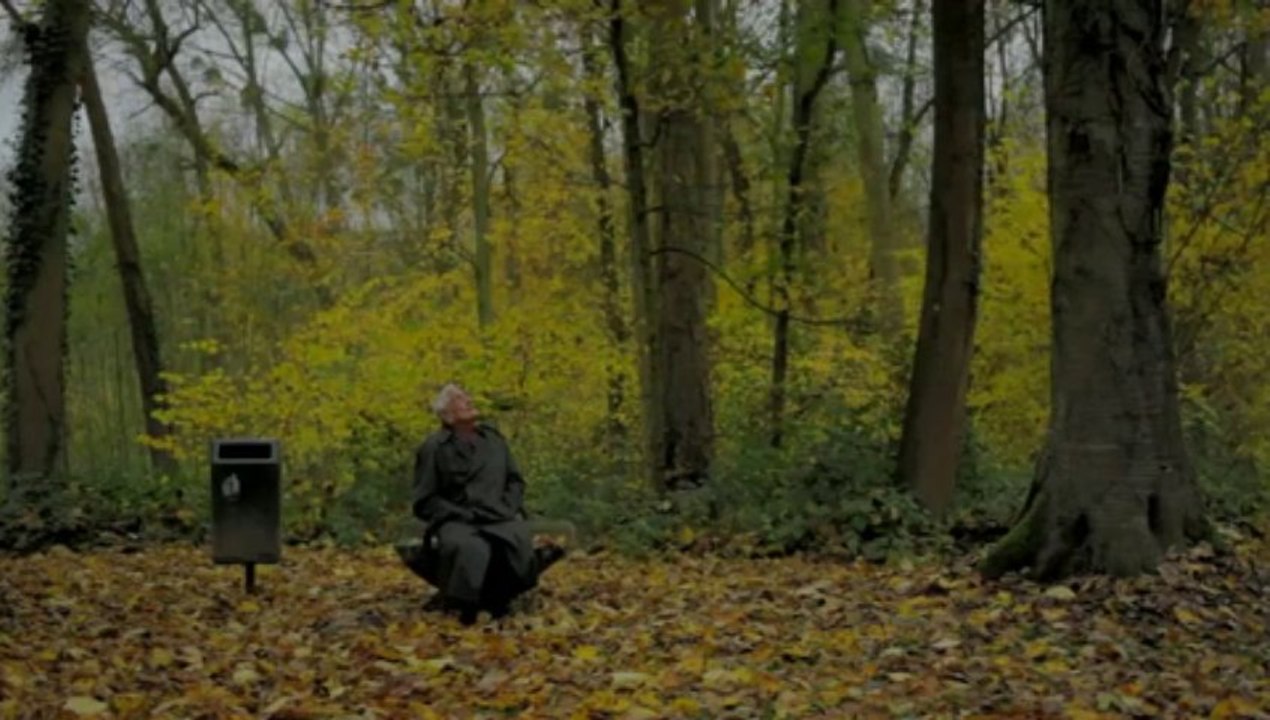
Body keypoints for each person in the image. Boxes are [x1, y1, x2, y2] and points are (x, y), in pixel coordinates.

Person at [403, 383, 563, 624]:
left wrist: (508, 507)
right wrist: (459, 514)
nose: (468, 400)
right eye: (459, 399)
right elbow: (425, 500)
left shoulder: (494, 441)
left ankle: (502, 603)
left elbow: (515, 481)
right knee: (472, 549)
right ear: (447, 415)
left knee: (517, 542)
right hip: (458, 522)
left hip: (499, 516)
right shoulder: (434, 447)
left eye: (466, 396)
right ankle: (463, 609)